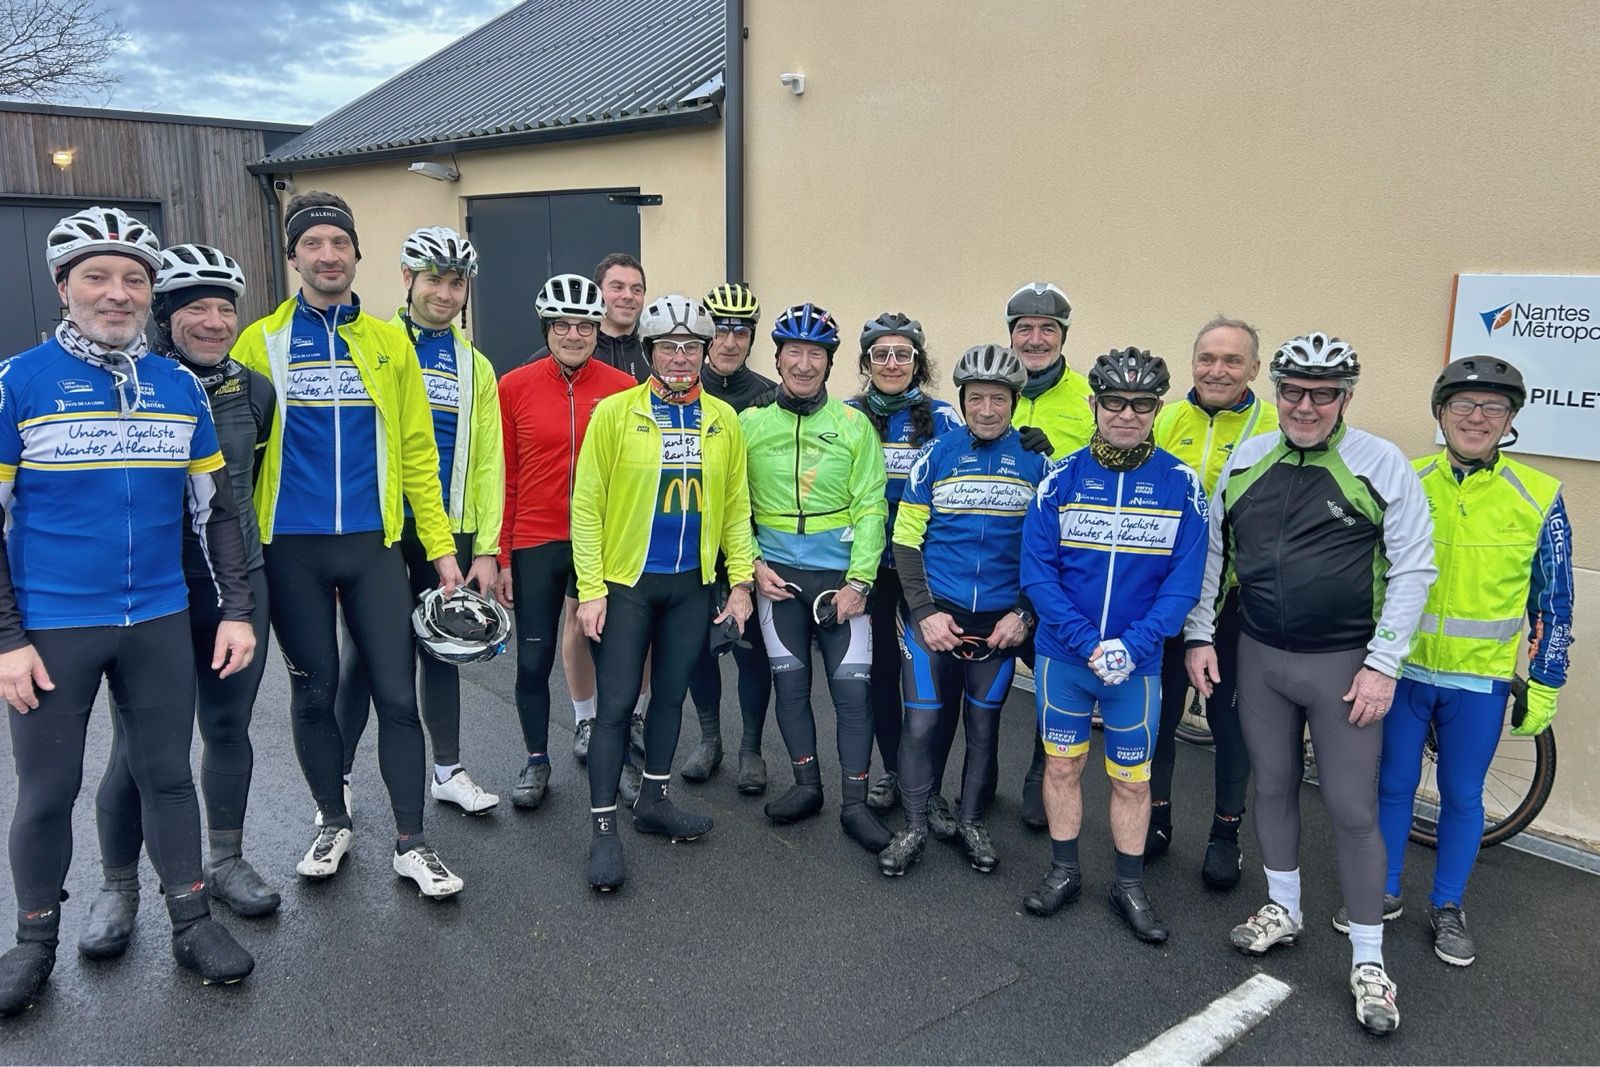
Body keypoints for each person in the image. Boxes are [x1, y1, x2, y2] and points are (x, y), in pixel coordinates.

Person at [0, 209, 257, 1014]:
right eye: (97, 277)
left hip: (158, 616)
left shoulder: (179, 387)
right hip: (54, 624)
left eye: (134, 280)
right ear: (63, 287)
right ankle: (34, 942)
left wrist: (237, 608)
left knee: (168, 775)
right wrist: (7, 638)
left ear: (150, 293)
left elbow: (216, 510)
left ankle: (191, 920)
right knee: (49, 788)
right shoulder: (17, 382)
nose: (117, 293)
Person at [1187, 332, 1435, 1035]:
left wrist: (1383, 663)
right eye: (1293, 391)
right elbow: (1215, 552)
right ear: (1276, 392)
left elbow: (1414, 567)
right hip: (1261, 656)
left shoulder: (1380, 463)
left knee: (1352, 809)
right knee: (1271, 785)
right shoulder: (1248, 457)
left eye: (1322, 394)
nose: (1305, 405)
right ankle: (1285, 908)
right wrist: (1200, 633)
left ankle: (1369, 959)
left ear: (1345, 399)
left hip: (1343, 666)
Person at [233, 191, 467, 898]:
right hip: (291, 547)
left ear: (358, 254)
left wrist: (443, 550)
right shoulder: (259, 341)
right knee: (315, 693)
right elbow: (234, 459)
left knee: (396, 694)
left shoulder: (390, 344)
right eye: (313, 243)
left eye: (339, 242)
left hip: (373, 545)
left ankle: (412, 843)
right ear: (293, 256)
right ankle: (332, 821)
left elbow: (419, 454)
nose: (328, 255)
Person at [81, 244, 280, 964]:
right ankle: (119, 887)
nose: (215, 320)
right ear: (165, 316)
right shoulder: (130, 385)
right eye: (196, 306)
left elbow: (250, 488)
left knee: (228, 728)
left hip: (237, 584)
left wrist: (247, 587)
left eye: (226, 307)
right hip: (153, 593)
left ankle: (225, 861)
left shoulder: (257, 391)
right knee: (139, 746)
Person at [1378, 355, 1572, 967]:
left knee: (1462, 795)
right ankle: (1382, 891)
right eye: (1463, 404)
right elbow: (1372, 574)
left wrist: (1547, 679)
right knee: (1392, 785)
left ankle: (1448, 906)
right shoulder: (1406, 479)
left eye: (1494, 407)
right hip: (1403, 670)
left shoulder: (1538, 494)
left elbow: (1554, 599)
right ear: (1441, 413)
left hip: (1478, 680)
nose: (1477, 417)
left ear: (1511, 420)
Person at [1020, 348, 1206, 943]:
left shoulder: (1182, 484)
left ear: (1157, 409)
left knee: (1132, 779)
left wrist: (1135, 644)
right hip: (1065, 658)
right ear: (1093, 404)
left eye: (1142, 404)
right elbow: (1038, 574)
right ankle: (1064, 871)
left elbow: (1184, 582)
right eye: (1115, 402)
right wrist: (1087, 643)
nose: (1127, 414)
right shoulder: (1060, 478)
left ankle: (1129, 884)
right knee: (1062, 765)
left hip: (1138, 663)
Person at [571, 295, 756, 891]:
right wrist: (591, 589)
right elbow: (586, 506)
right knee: (616, 705)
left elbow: (736, 508)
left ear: (705, 352)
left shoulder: (722, 419)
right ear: (650, 352)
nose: (681, 357)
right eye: (669, 347)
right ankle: (603, 828)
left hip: (690, 585)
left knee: (671, 698)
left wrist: (740, 582)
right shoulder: (616, 412)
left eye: (691, 347)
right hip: (627, 583)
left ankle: (653, 801)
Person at [333, 226, 504, 814]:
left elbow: (489, 462)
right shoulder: (373, 345)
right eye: (434, 279)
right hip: (381, 528)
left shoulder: (475, 365)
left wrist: (487, 547)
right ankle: (339, 779)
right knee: (363, 657)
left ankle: (448, 771)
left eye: (456, 283)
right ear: (407, 278)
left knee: (444, 650)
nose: (445, 293)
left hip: (449, 530)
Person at [878, 345, 1044, 876]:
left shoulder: (1038, 463)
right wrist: (924, 611)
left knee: (983, 728)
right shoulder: (937, 454)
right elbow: (906, 540)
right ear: (963, 400)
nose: (987, 409)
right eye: (976, 398)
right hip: (934, 615)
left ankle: (971, 820)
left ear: (1014, 402)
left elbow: (1050, 550)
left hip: (999, 623)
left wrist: (1023, 613)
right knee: (922, 724)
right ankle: (912, 826)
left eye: (998, 399)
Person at [740, 303, 891, 852]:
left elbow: (871, 506)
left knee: (852, 695)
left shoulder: (853, 425)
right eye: (794, 353)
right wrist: (752, 565)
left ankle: (855, 802)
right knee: (790, 687)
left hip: (839, 580)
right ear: (777, 358)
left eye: (815, 354)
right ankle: (807, 786)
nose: (804, 364)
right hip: (776, 578)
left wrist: (860, 583)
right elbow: (734, 505)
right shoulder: (750, 424)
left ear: (830, 362)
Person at [1147, 316, 1278, 886]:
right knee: (1158, 717)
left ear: (1254, 368)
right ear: (1193, 362)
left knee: (1230, 724)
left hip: (1236, 603)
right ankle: (1156, 819)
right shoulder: (1165, 419)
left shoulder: (1274, 427)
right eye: (1207, 358)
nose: (1217, 370)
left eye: (1232, 360)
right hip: (1162, 598)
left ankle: (1226, 834)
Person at [496, 274, 635, 809]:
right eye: (562, 325)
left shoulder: (623, 389)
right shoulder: (514, 386)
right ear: (546, 329)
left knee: (611, 658)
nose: (573, 335)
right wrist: (503, 556)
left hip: (601, 542)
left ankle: (616, 759)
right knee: (532, 661)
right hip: (536, 540)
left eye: (584, 326)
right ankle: (536, 761)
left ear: (598, 329)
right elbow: (505, 477)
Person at [845, 314, 962, 822]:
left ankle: (931, 784)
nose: (891, 363)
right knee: (882, 674)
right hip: (871, 566)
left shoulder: (945, 417)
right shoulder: (848, 414)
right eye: (880, 354)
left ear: (918, 362)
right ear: (866, 362)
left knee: (934, 679)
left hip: (924, 569)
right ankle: (895, 771)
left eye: (903, 354)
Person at [1004, 281, 1096, 829]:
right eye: (1024, 329)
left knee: (1051, 672)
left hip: (1062, 565)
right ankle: (977, 774)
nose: (1035, 339)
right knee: (989, 672)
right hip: (998, 559)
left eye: (1047, 330)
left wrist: (1056, 456)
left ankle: (1043, 770)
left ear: (1063, 335)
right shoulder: (993, 387)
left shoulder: (1088, 397)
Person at [682, 282, 777, 789]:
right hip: (693, 540)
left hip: (750, 541)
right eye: (720, 330)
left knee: (750, 650)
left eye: (741, 332)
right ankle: (709, 739)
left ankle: (750, 749)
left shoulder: (768, 394)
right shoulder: (682, 386)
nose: (730, 341)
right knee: (698, 647)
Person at [591, 252, 650, 381]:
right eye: (618, 287)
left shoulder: (655, 355)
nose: (628, 296)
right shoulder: (575, 352)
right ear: (598, 293)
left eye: (636, 290)